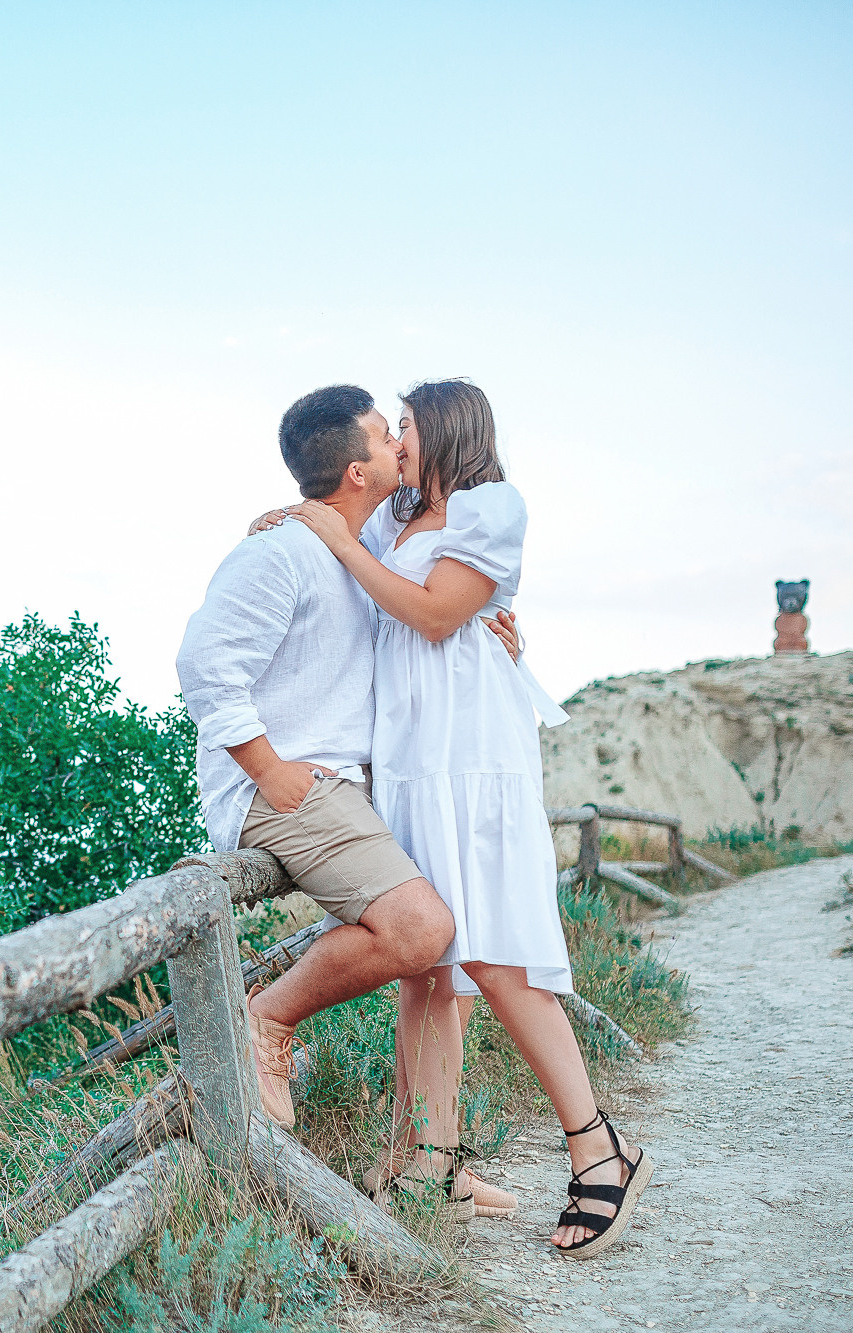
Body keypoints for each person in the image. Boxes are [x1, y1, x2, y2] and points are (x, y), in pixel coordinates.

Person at [263, 378, 651, 1259]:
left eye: (404, 425)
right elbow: (339, 514)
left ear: (443, 427)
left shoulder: (490, 507)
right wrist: (292, 519)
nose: (395, 441)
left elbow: (438, 616)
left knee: (496, 958)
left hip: (472, 760)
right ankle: (428, 1160)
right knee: (429, 966)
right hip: (411, 765)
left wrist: (340, 543)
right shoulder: (393, 518)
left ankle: (600, 1148)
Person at [174, 385, 514, 1225]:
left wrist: (496, 628)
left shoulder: (363, 549)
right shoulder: (282, 553)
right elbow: (204, 665)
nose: (402, 442)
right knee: (422, 929)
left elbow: (431, 604)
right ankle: (266, 1020)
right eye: (386, 433)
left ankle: (424, 1165)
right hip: (291, 789)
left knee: (440, 965)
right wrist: (269, 770)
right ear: (357, 469)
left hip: (351, 789)